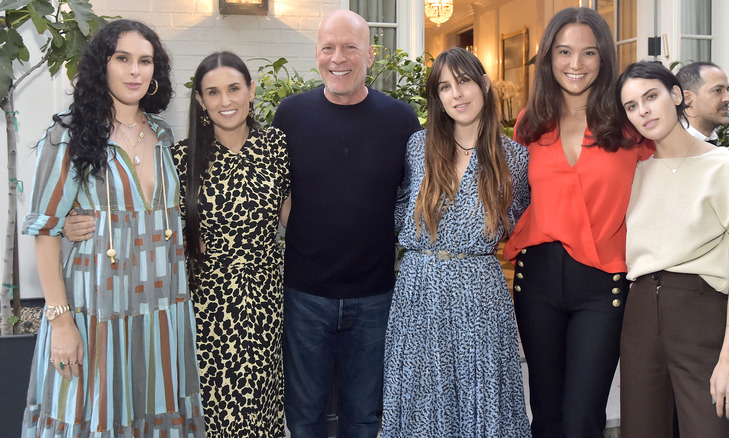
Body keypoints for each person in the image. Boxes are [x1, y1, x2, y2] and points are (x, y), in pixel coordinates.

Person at [21, 19, 205, 436]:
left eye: (145, 61)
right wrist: (61, 323)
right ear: (101, 66)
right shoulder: (67, 134)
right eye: (123, 59)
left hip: (162, 307)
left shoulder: (162, 133)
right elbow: (45, 231)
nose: (135, 71)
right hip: (98, 309)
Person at [502, 7, 654, 437]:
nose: (575, 64)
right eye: (564, 52)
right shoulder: (532, 121)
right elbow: (513, 192)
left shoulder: (628, 122)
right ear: (549, 57)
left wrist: (720, 157)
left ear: (604, 58)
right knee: (546, 415)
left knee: (583, 417)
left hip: (603, 281)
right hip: (537, 279)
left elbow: (676, 158)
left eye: (588, 53)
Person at [271, 9, 420, 438]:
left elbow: (417, 199)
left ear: (370, 55)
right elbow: (273, 191)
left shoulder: (401, 121)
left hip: (375, 296)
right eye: (328, 48)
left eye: (350, 47)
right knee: (304, 418)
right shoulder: (290, 115)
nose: (338, 58)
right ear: (316, 54)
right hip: (305, 296)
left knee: (362, 418)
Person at [381, 47, 532, 437]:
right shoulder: (418, 147)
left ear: (484, 84)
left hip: (479, 296)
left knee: (479, 398)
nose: (457, 94)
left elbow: (522, 222)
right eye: (445, 87)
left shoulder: (514, 157)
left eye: (464, 81)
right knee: (421, 401)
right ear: (438, 97)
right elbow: (397, 206)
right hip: (419, 293)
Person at [616, 60, 729, 438]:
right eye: (631, 106)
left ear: (677, 96)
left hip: (702, 315)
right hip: (638, 318)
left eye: (650, 96)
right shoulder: (632, 173)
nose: (643, 111)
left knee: (710, 428)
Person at [172, 51, 290, 437]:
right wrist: (77, 221)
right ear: (201, 100)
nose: (226, 101)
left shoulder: (276, 146)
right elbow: (153, 223)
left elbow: (294, 217)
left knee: (263, 405)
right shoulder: (182, 158)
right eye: (213, 92)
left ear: (251, 90)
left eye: (234, 88)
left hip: (266, 298)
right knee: (216, 409)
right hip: (209, 305)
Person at [676, 61, 729, 143]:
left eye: (727, 90)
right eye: (718, 90)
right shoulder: (673, 148)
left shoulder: (711, 143)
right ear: (687, 98)